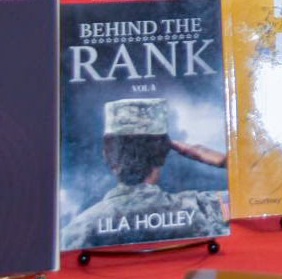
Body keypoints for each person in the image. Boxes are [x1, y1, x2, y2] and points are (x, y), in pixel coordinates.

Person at [60, 98, 228, 251]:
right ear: (163, 154)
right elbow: (253, 199)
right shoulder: (206, 210)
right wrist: (224, 161)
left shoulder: (76, 231)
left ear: (107, 156)